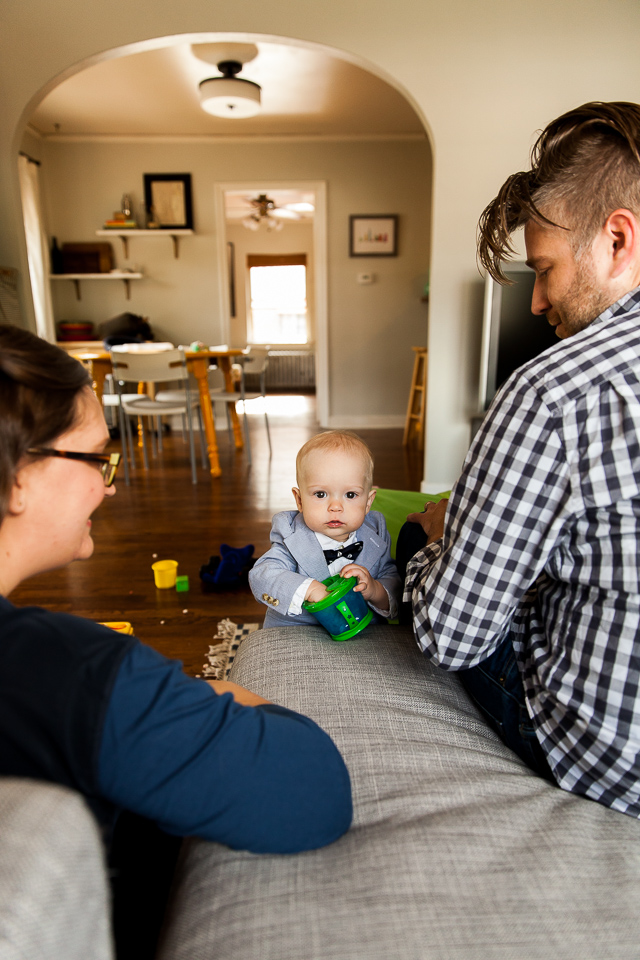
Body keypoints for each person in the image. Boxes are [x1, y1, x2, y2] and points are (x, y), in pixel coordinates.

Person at [0, 324, 352, 957]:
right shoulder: (70, 670)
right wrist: (219, 691)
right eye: (94, 458)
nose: (109, 485)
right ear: (19, 475)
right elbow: (314, 789)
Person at [402, 101, 640, 818]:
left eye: (545, 269)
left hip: (608, 756)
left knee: (420, 525)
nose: (537, 301)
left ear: (618, 239)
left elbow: (452, 637)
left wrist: (439, 538)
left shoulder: (554, 391)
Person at [249, 431, 401, 627]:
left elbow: (394, 581)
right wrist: (309, 590)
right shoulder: (289, 531)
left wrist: (374, 590)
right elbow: (263, 574)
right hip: (299, 631)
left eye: (351, 495)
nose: (335, 506)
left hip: (364, 632)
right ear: (300, 500)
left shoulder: (376, 530)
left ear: (368, 502)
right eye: (320, 494)